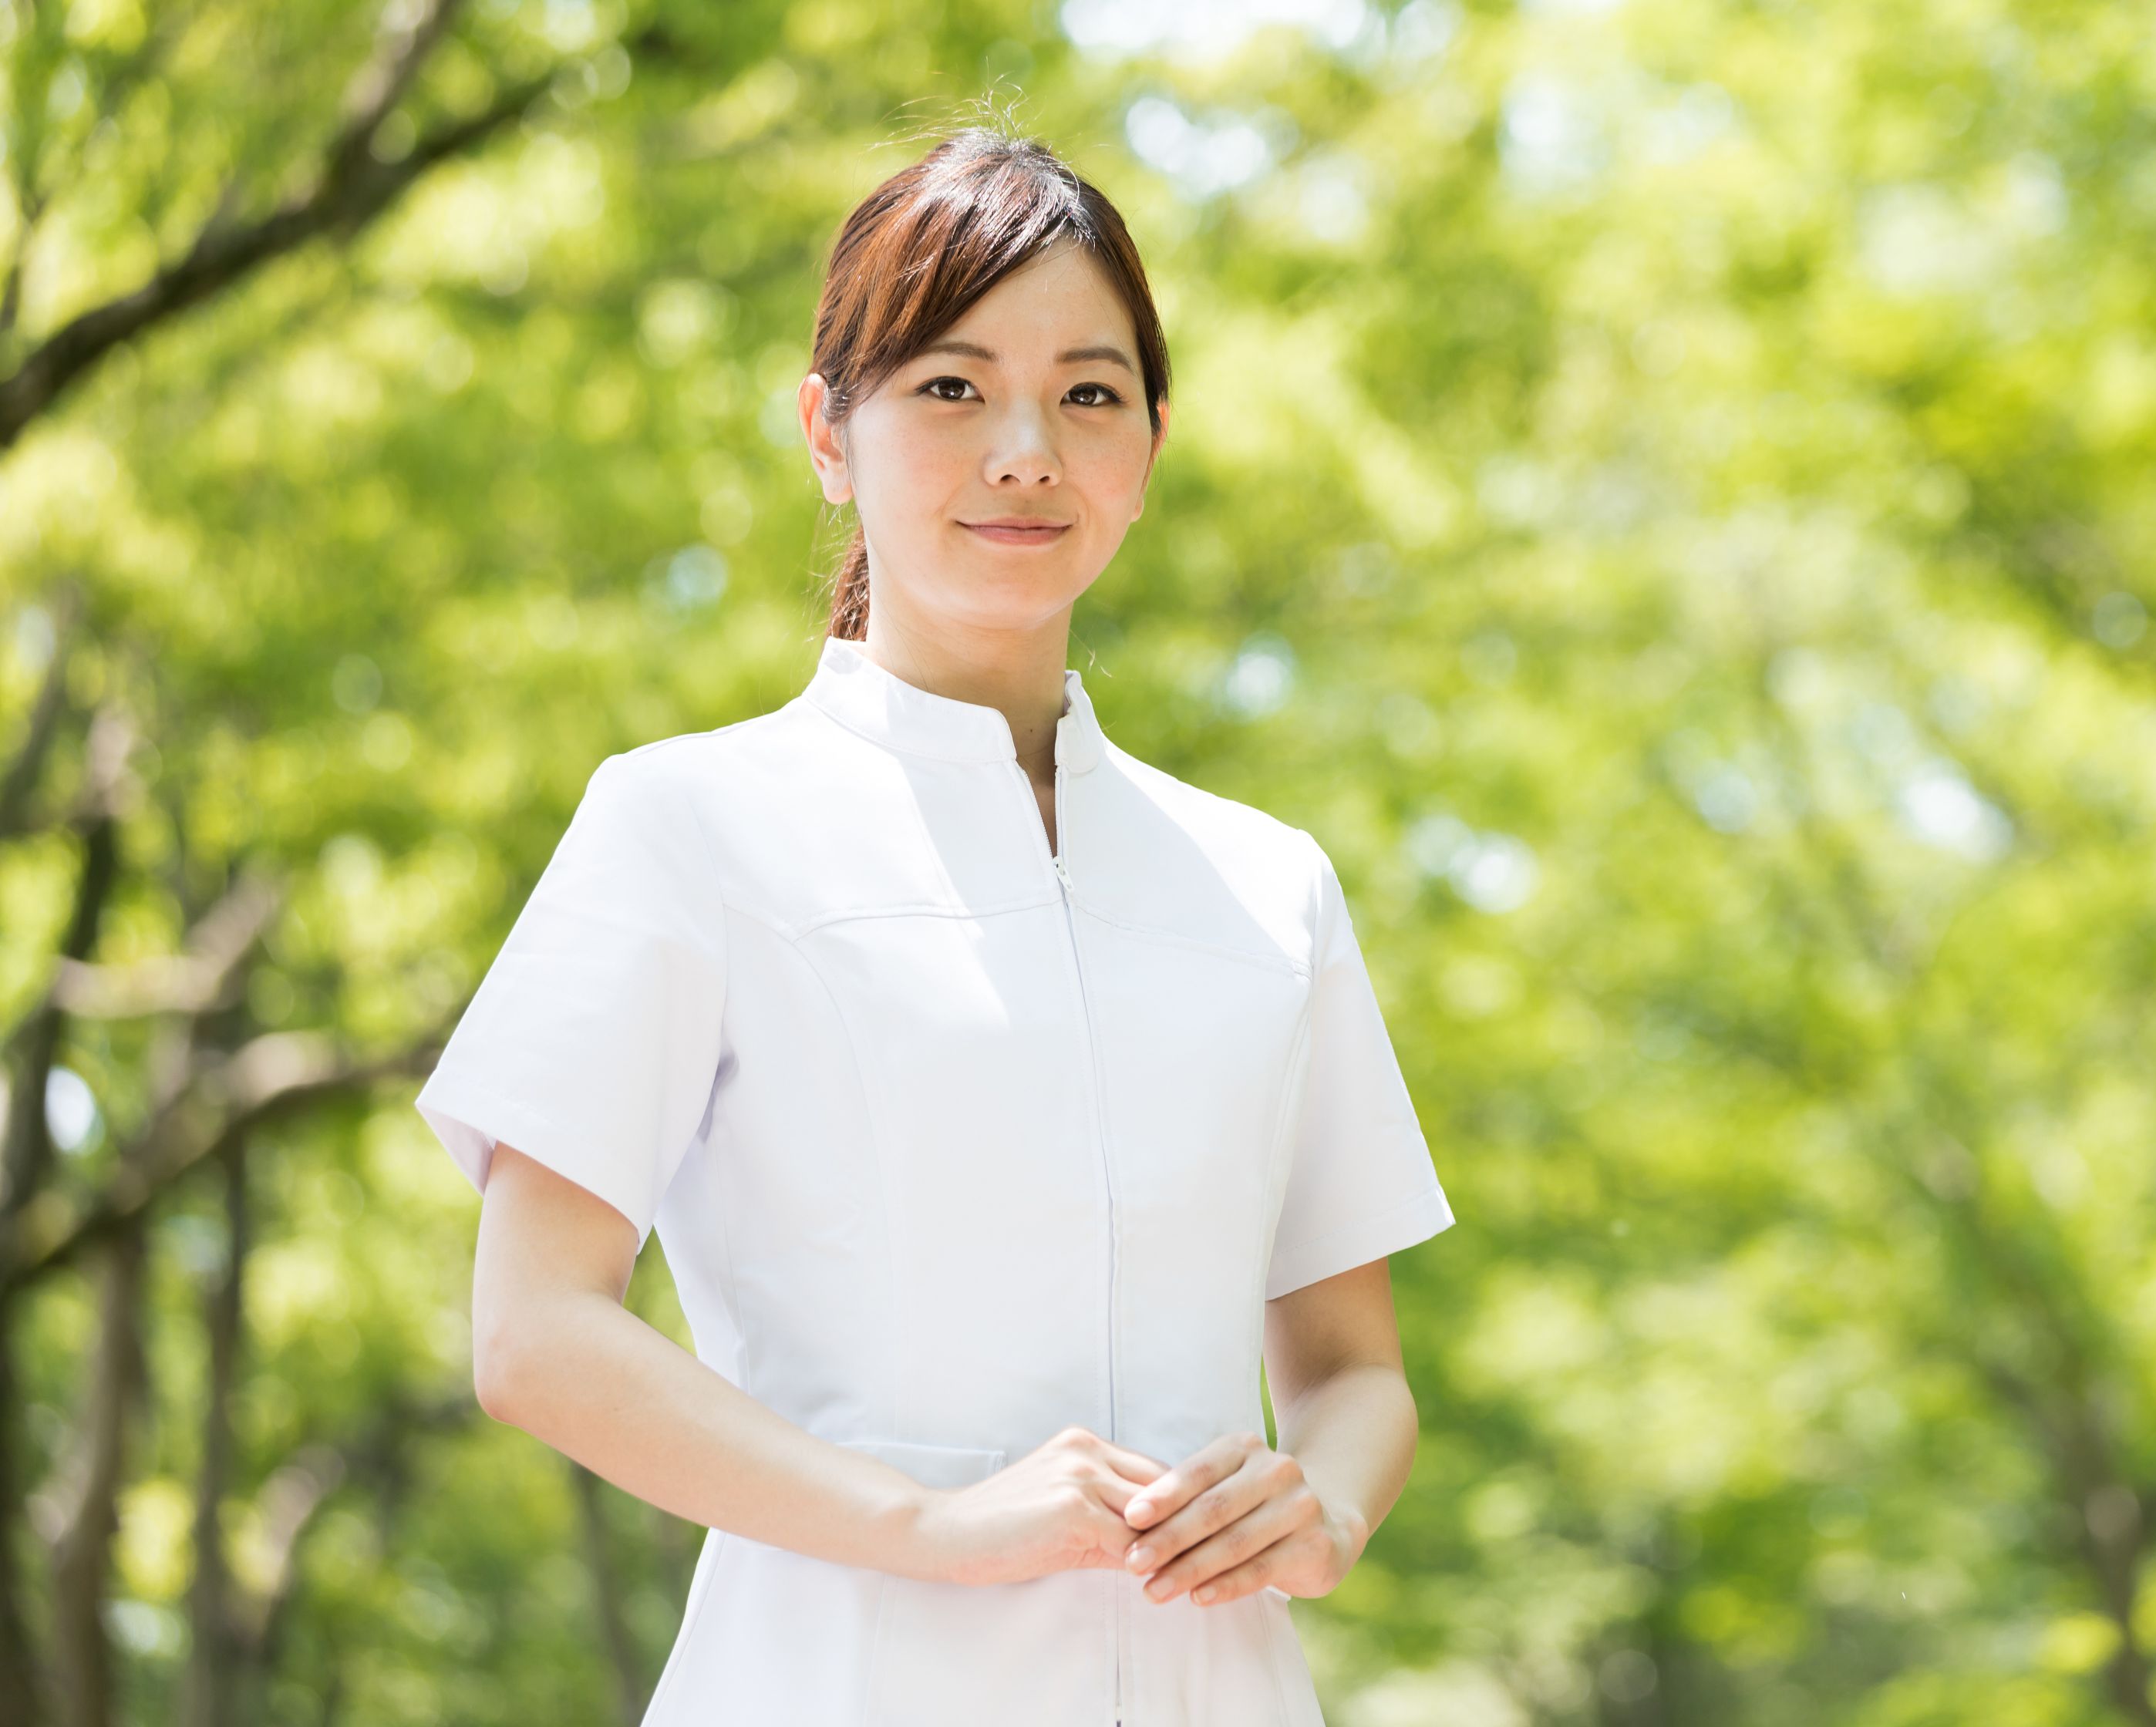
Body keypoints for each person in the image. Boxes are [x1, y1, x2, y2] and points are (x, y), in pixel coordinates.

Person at [413, 124, 1456, 1725]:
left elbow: (1353, 1367)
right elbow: (536, 1331)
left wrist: (1323, 1509)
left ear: (1152, 443)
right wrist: (930, 1526)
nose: (1026, 449)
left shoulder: (1265, 886)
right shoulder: (689, 825)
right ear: (829, 431)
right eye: (952, 387)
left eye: (1089, 393)